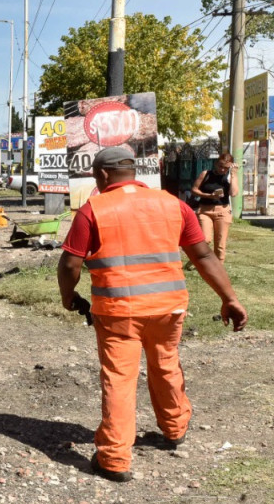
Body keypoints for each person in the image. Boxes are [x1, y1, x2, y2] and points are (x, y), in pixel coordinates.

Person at [57, 146, 247, 483]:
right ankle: (175, 429)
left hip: (119, 313)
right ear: (133, 172)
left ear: (102, 174)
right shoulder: (172, 204)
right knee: (166, 362)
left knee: (119, 377)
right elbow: (204, 256)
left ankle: (115, 458)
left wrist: (68, 297)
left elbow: (71, 262)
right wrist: (229, 298)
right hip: (169, 308)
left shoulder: (93, 210)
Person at [190, 153, 237, 262]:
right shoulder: (206, 174)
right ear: (216, 163)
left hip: (223, 211)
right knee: (205, 240)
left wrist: (234, 175)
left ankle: (218, 266)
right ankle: (198, 258)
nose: (222, 169)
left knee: (220, 244)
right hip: (205, 211)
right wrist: (209, 195)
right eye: (220, 166)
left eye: (226, 168)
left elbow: (233, 193)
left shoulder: (230, 177)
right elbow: (194, 190)